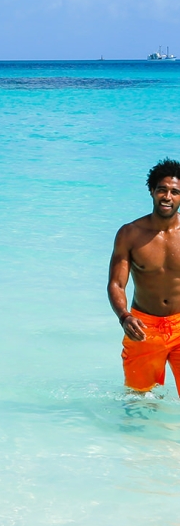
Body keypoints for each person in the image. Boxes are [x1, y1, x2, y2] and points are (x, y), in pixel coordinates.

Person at [108, 158, 180, 393]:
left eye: (175, 192)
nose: (167, 197)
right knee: (139, 401)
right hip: (143, 327)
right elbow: (117, 284)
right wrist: (124, 317)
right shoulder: (130, 234)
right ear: (152, 191)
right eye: (162, 190)